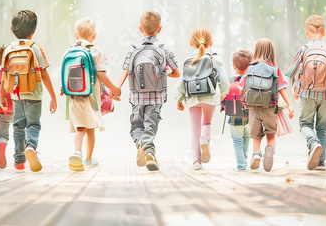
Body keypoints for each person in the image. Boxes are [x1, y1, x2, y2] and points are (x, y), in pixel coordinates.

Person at [118, 10, 180, 171]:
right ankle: (149, 150)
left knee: (136, 125)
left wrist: (116, 89)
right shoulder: (163, 49)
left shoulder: (133, 49)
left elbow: (125, 71)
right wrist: (161, 75)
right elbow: (177, 72)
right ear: (159, 29)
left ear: (140, 29)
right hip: (156, 96)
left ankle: (142, 145)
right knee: (150, 125)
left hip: (136, 95)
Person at [286, 14, 326, 171]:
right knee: (323, 127)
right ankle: (321, 162)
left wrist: (293, 89)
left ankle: (313, 143)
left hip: (307, 94)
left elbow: (291, 72)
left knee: (305, 124)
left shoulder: (303, 50)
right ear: (324, 32)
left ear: (306, 32)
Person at [0, 10, 57, 172]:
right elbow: (44, 74)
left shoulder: (8, 50)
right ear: (33, 31)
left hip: (16, 94)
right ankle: (31, 146)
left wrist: (3, 96)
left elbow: (4, 75)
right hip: (34, 94)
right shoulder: (35, 49)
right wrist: (53, 97)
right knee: (33, 124)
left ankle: (19, 160)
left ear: (13, 30)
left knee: (18, 125)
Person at [63, 17, 121, 171]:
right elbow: (101, 75)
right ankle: (88, 158)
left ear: (76, 35)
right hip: (90, 97)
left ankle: (77, 152)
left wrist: (63, 88)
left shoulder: (69, 50)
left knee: (80, 128)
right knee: (90, 128)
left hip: (73, 96)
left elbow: (65, 74)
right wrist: (114, 88)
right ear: (94, 36)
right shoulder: (95, 50)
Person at [176, 27, 229, 170]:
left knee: (195, 129)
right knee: (206, 122)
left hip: (192, 98)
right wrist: (224, 92)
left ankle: (196, 161)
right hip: (210, 96)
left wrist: (179, 99)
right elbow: (223, 79)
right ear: (210, 43)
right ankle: (205, 140)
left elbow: (182, 81)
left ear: (190, 43)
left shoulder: (188, 60)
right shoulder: (215, 59)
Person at [243, 38, 294, 172]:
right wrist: (290, 105)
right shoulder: (274, 70)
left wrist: (243, 103)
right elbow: (282, 89)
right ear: (272, 52)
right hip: (270, 107)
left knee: (256, 135)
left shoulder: (249, 69)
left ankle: (256, 154)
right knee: (270, 134)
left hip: (253, 107)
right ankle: (269, 151)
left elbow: (243, 88)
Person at [224, 50, 253, 171]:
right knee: (246, 139)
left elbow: (223, 98)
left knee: (237, 142)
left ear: (233, 66)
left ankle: (241, 165)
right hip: (250, 117)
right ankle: (244, 159)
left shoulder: (229, 81)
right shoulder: (251, 81)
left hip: (234, 117)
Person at [0, 45, 14, 169]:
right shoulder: (14, 73)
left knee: (3, 135)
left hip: (1, 111)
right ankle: (20, 157)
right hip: (15, 108)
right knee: (20, 132)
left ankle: (2, 145)